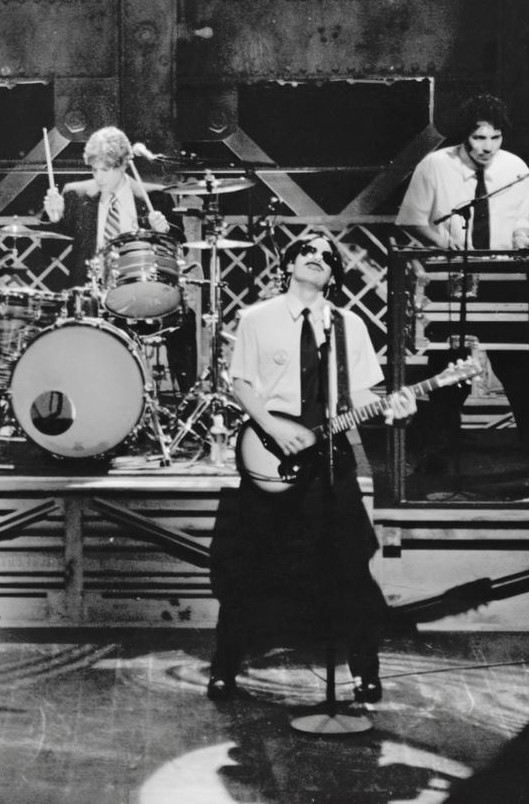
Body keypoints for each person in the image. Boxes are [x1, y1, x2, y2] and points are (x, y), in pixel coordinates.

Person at [207, 232, 415, 703]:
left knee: (352, 568)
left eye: (328, 256)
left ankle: (364, 672)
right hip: (269, 452)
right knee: (247, 568)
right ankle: (224, 668)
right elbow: (241, 383)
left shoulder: (348, 325)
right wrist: (274, 430)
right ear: (288, 264)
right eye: (308, 251)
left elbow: (361, 395)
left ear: (334, 274)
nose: (318, 258)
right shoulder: (257, 319)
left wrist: (394, 410)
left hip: (329, 457)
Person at [395, 94, 529, 471]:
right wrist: (444, 243)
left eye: (495, 138)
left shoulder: (516, 167)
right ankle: (436, 456)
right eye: (479, 138)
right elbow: (411, 218)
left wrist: (522, 238)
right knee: (448, 369)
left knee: (521, 369)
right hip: (453, 279)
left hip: (501, 280)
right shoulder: (436, 165)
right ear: (464, 136)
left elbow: (524, 221)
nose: (487, 147)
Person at [41, 126, 195, 391]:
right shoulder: (76, 194)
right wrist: (53, 219)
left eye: (106, 170)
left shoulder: (154, 195)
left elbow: (181, 247)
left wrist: (165, 231)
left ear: (123, 165)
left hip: (141, 290)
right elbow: (50, 249)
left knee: (185, 319)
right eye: (94, 170)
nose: (99, 177)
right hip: (90, 297)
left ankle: (188, 401)